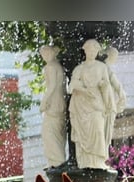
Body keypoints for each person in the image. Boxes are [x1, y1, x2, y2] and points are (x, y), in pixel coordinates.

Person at [68, 39, 116, 170]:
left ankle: (98, 161)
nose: (91, 52)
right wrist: (84, 90)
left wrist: (107, 100)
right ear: (85, 51)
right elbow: (71, 86)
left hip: (96, 103)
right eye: (89, 50)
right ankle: (85, 162)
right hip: (81, 104)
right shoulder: (79, 68)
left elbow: (106, 85)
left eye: (94, 50)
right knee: (82, 134)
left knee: (98, 131)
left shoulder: (102, 67)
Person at [38, 45, 67, 168]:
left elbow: (52, 86)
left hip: (53, 103)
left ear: (52, 53)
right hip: (61, 101)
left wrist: (44, 101)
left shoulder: (50, 67)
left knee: (48, 132)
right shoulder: (59, 66)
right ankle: (59, 160)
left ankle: (56, 161)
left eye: (46, 53)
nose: (45, 56)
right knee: (57, 132)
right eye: (43, 54)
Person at [102, 47, 127, 148]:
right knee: (105, 134)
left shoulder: (104, 67)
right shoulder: (105, 68)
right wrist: (122, 96)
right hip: (107, 105)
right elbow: (117, 85)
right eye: (115, 56)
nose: (115, 59)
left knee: (105, 133)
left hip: (106, 104)